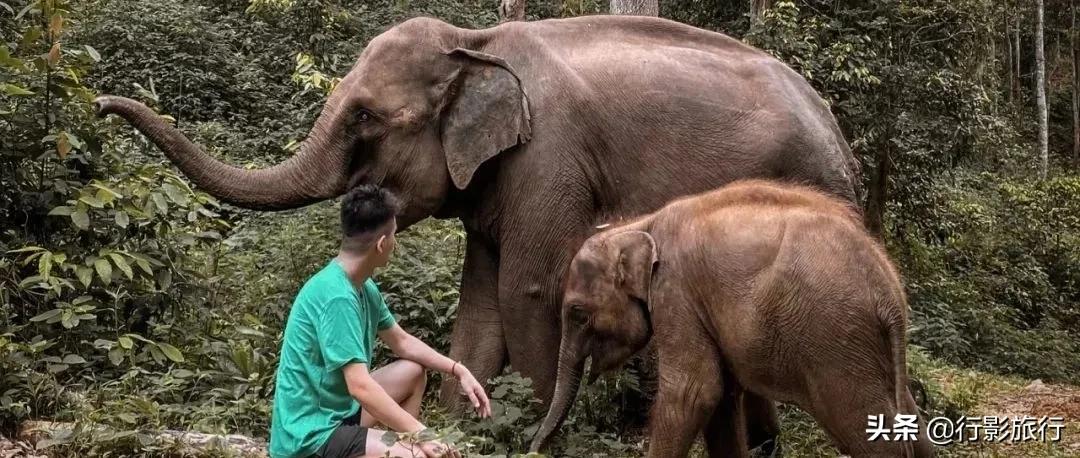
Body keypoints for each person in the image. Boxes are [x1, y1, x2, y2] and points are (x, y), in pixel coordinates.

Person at [269, 185, 491, 458]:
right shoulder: (336, 297)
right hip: (310, 437)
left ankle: (403, 446)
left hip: (338, 414)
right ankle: (408, 450)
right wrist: (424, 435)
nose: (395, 243)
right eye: (394, 235)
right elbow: (360, 386)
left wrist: (458, 370)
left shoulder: (362, 286)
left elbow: (402, 342)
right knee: (419, 456)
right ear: (381, 243)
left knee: (412, 371)